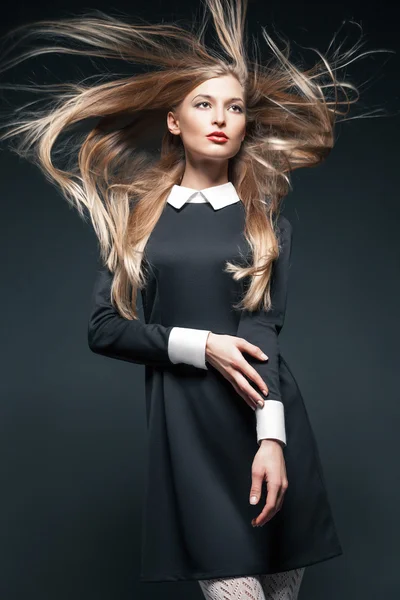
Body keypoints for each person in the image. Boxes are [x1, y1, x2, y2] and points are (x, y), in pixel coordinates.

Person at [0, 1, 389, 598]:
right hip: (190, 441)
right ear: (174, 122)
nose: (221, 118)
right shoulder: (140, 223)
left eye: (234, 107)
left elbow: (263, 335)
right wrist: (198, 345)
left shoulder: (266, 223)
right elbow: (103, 328)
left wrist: (272, 439)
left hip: (268, 432)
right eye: (204, 104)